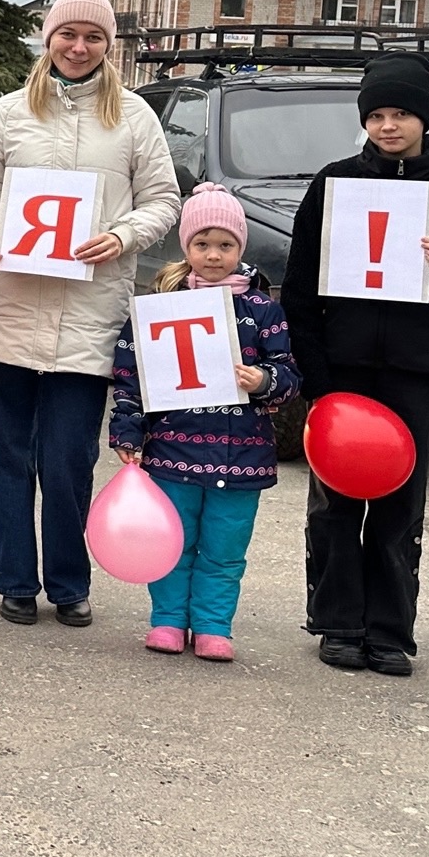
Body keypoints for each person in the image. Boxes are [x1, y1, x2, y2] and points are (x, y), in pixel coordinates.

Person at [0, 0, 180, 628]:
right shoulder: (8, 113)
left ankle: (67, 580)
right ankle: (13, 579)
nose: (79, 47)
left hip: (89, 313)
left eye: (93, 38)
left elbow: (163, 200)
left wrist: (123, 236)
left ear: (109, 47)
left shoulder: (134, 117)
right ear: (48, 39)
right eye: (68, 35)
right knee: (9, 455)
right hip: (10, 308)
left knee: (66, 458)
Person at [281, 52, 429, 676]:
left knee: (401, 502)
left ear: (424, 118)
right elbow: (300, 288)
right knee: (336, 498)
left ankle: (391, 629)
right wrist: (316, 380)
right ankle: (338, 621)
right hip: (343, 369)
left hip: (413, 372)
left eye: (400, 113)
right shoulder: (335, 181)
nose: (388, 125)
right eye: (376, 115)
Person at [107, 184, 300, 662]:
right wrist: (127, 430)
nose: (214, 256)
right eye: (202, 244)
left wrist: (262, 380)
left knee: (224, 549)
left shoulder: (262, 311)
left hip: (243, 459)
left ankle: (215, 626)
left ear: (242, 247)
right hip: (174, 452)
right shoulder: (160, 307)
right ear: (186, 247)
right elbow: (130, 375)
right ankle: (168, 621)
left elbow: (291, 375)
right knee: (174, 542)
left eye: (226, 245)